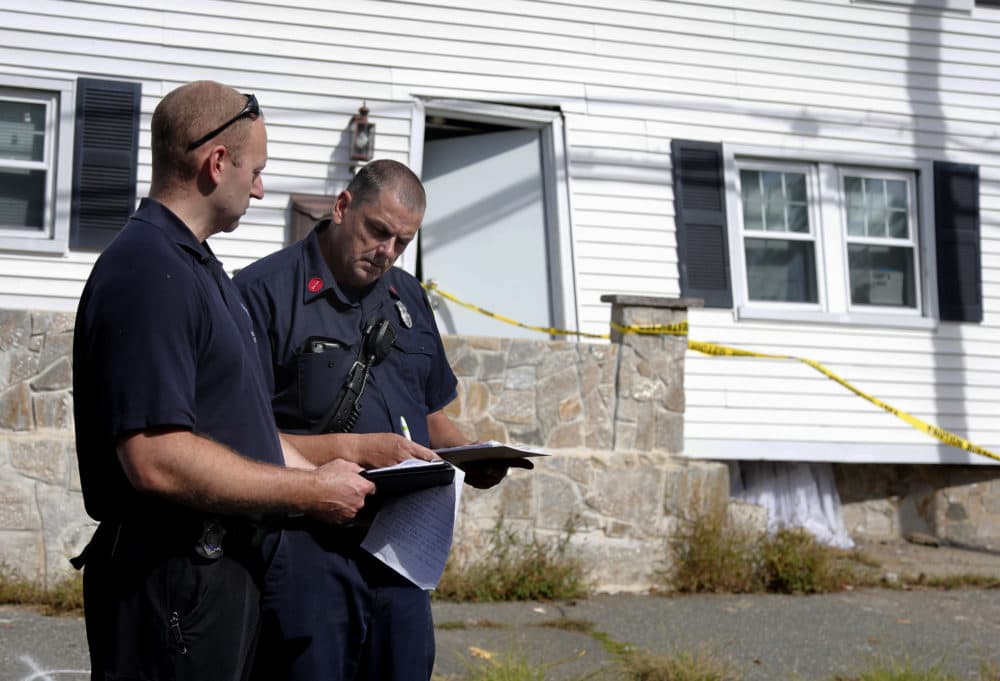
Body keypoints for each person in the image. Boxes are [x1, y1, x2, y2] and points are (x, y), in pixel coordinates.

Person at [72, 80, 375, 681]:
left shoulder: (197, 267)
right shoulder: (148, 272)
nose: (261, 188)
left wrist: (328, 472)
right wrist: (307, 494)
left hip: (213, 577)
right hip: (172, 585)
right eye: (255, 170)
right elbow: (157, 458)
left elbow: (245, 428)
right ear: (216, 163)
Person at [235, 159, 529, 681]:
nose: (386, 252)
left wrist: (468, 454)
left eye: (402, 242)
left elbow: (430, 411)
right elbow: (241, 432)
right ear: (343, 206)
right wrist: (358, 451)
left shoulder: (408, 296)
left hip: (401, 552)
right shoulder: (262, 293)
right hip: (308, 550)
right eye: (378, 232)